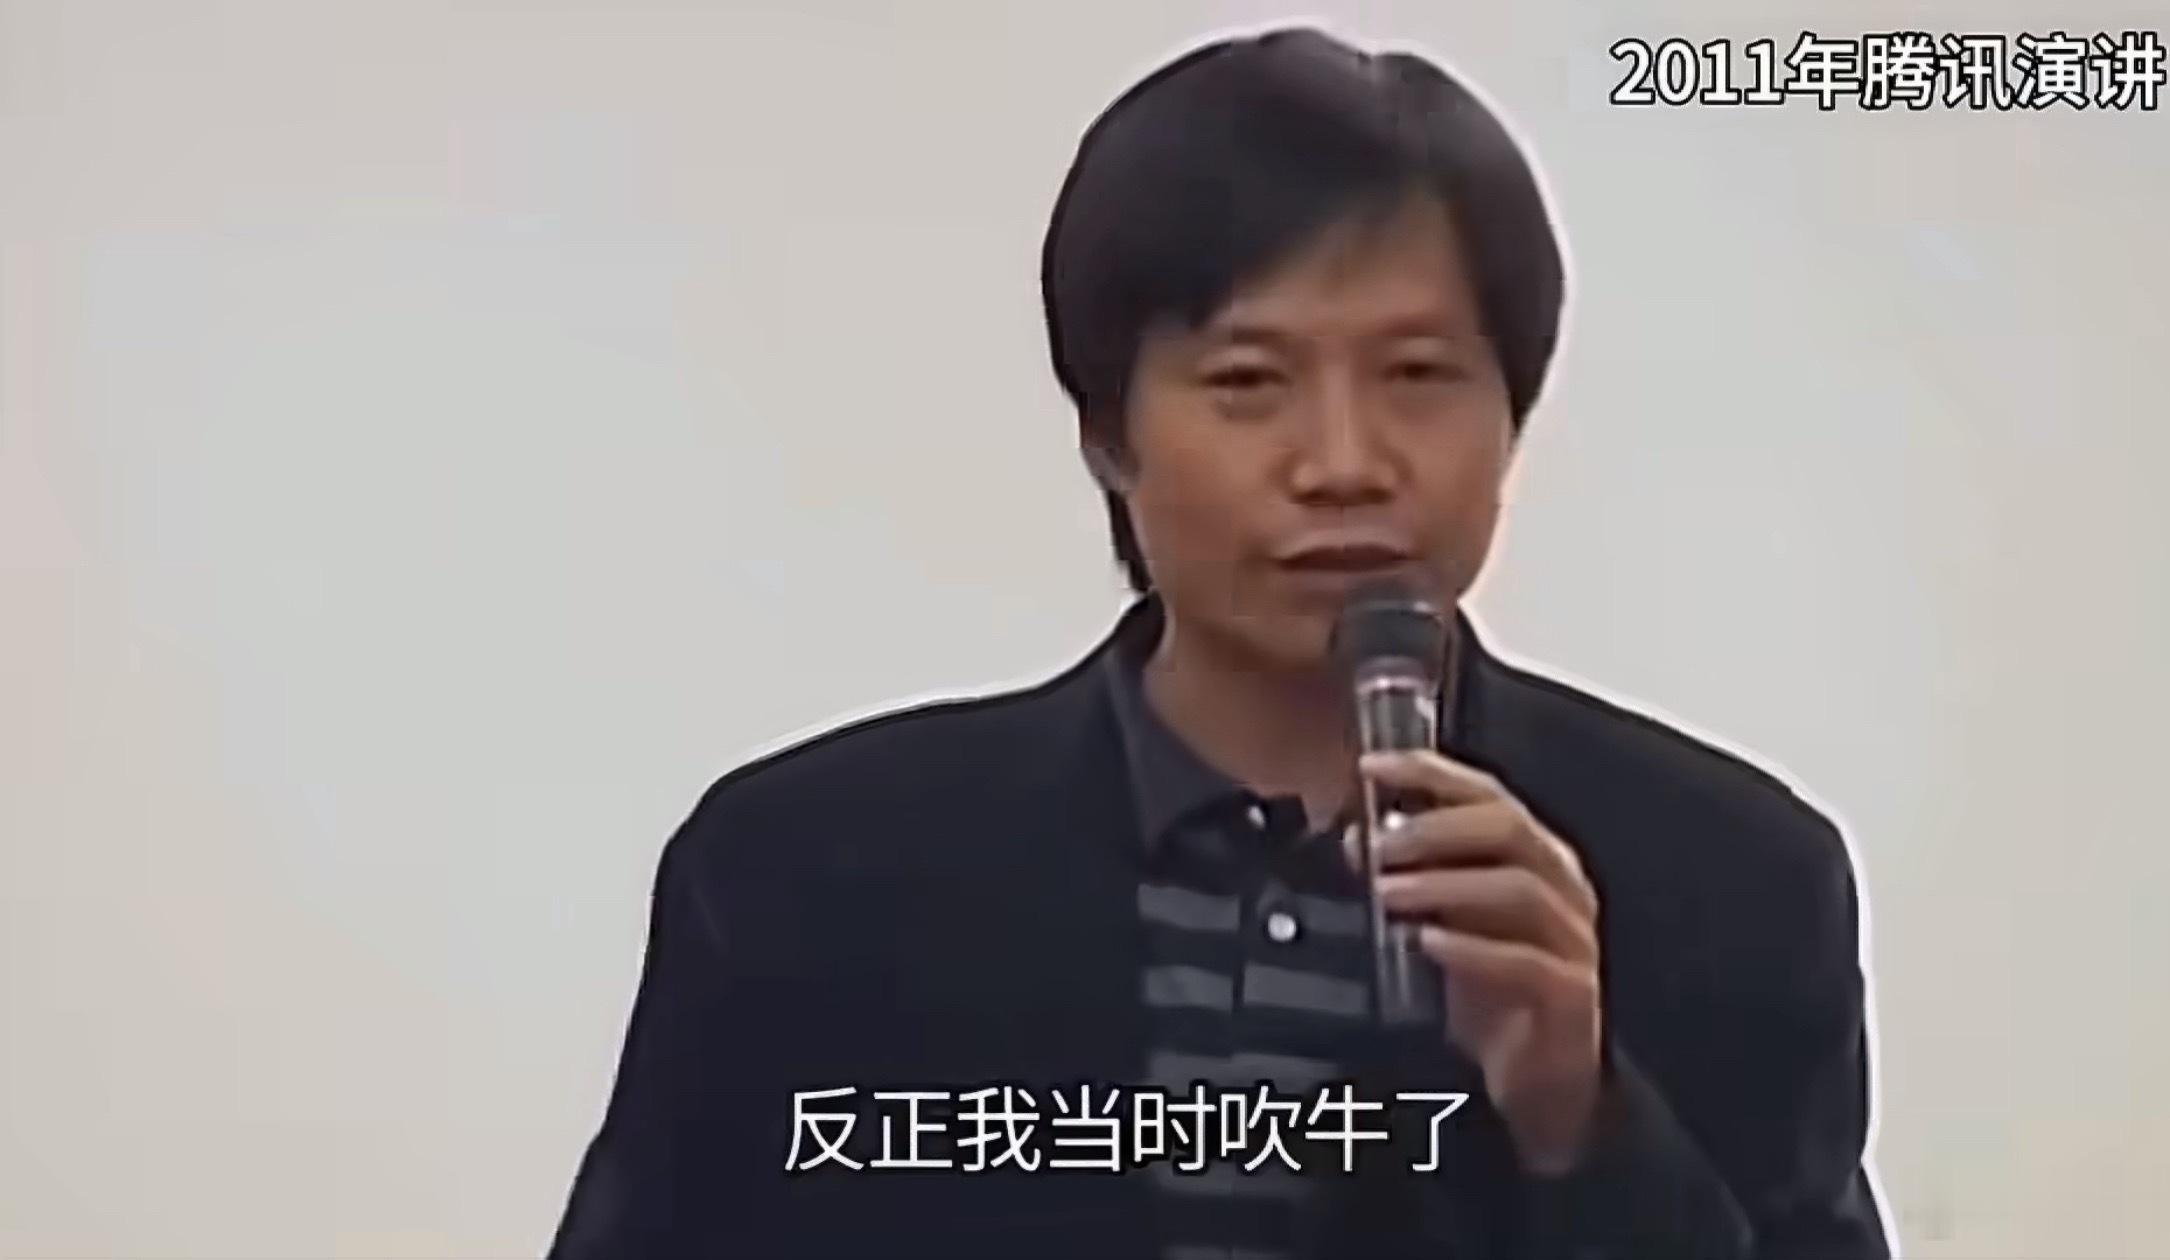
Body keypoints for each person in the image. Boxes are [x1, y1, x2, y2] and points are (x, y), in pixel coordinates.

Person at [549, 27, 1889, 1260]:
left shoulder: (1735, 889)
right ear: (1107, 433)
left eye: (1419, 375)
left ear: (1512, 417)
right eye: (1249, 382)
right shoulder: (805, 881)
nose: (1344, 462)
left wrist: (1581, 1125)